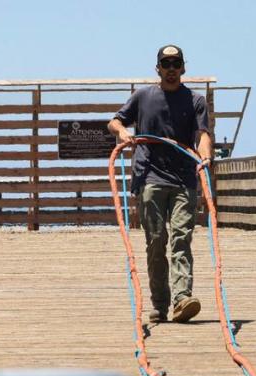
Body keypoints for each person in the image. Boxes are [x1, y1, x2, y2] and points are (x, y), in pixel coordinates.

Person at [107, 44, 213, 324]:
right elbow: (114, 121)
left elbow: (202, 135)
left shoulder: (195, 101)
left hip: (184, 179)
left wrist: (205, 158)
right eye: (166, 64)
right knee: (156, 243)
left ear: (183, 68)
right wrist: (123, 132)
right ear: (158, 68)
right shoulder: (143, 97)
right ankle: (160, 304)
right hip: (150, 178)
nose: (171, 69)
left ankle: (182, 299)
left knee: (181, 238)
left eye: (175, 64)